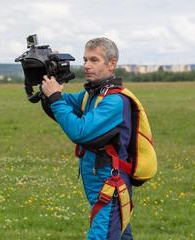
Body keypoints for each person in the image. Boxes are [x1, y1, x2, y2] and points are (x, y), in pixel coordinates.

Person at [41, 37, 133, 240]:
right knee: (118, 234)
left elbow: (79, 132)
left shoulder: (114, 101)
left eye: (94, 60)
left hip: (110, 183)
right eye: (85, 60)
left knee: (103, 235)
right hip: (97, 181)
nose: (86, 66)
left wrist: (54, 97)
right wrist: (47, 77)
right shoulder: (89, 95)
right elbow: (55, 104)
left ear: (112, 64)